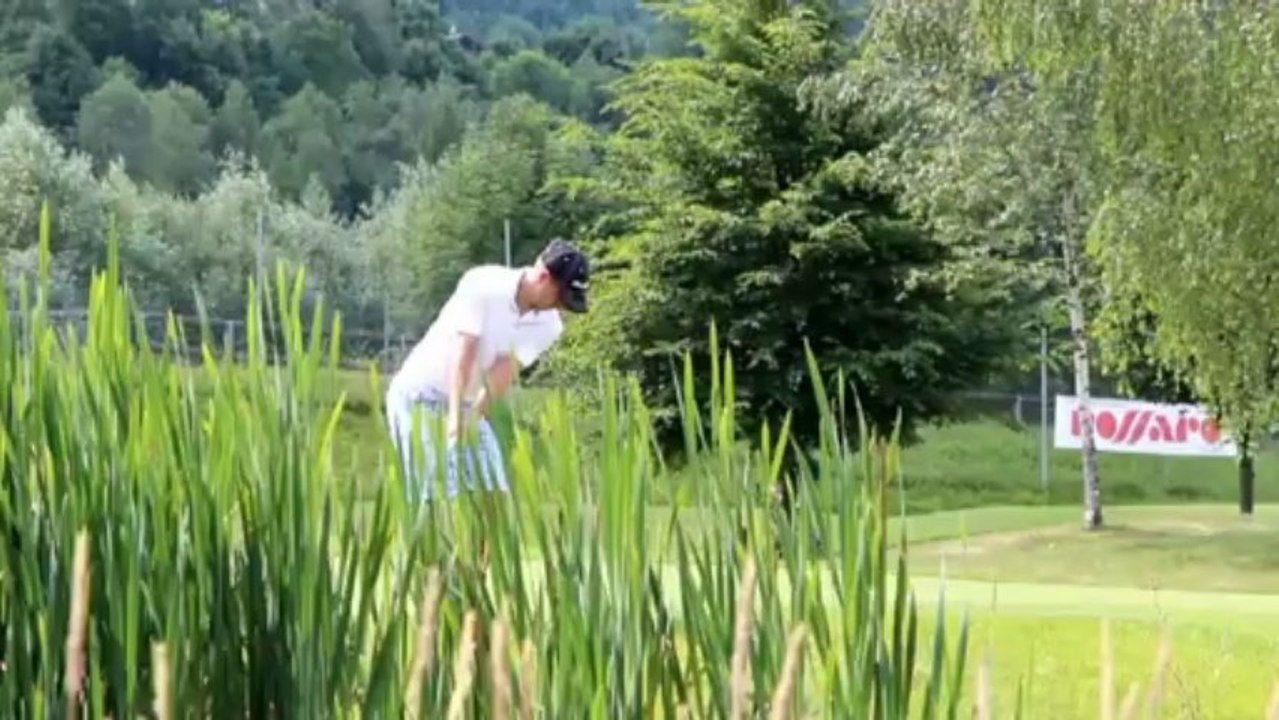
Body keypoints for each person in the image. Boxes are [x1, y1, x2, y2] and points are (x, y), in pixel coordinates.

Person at [385, 238, 590, 502]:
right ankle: (432, 543)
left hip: (469, 404)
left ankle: (486, 546)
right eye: (559, 297)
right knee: (437, 495)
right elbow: (465, 352)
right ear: (543, 277)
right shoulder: (484, 284)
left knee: (493, 494)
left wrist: (470, 420)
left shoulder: (549, 326)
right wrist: (455, 421)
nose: (560, 307)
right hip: (419, 395)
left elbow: (501, 374)